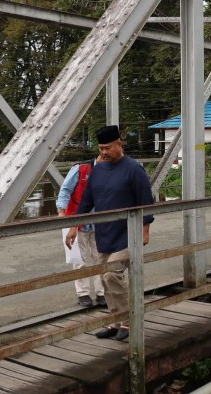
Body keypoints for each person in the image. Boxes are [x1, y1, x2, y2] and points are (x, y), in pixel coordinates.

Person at [66, 125, 154, 342]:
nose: (104, 152)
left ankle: (128, 321)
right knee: (104, 278)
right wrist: (73, 227)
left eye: (107, 148)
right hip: (104, 234)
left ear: (119, 145)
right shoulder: (98, 171)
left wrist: (145, 230)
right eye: (101, 149)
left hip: (128, 234)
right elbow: (86, 201)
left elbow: (145, 201)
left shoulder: (133, 169)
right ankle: (115, 322)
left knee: (112, 274)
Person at [56, 156, 106, 308]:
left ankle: (102, 293)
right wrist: (61, 211)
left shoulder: (109, 171)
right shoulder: (80, 169)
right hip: (77, 221)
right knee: (79, 259)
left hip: (99, 221)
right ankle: (83, 293)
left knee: (100, 257)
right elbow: (65, 189)